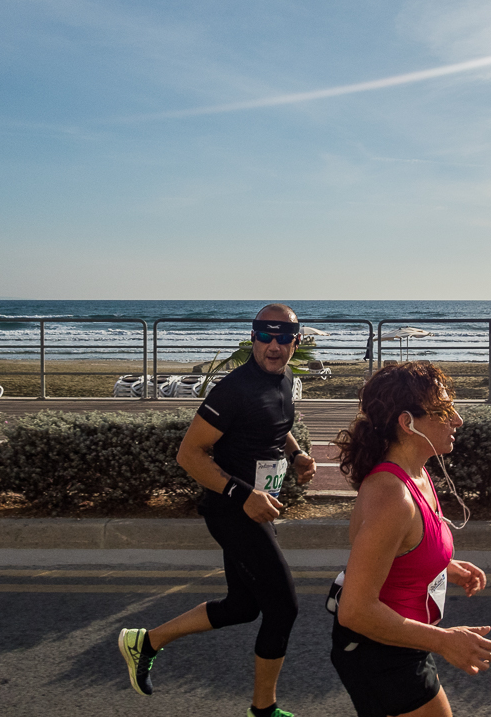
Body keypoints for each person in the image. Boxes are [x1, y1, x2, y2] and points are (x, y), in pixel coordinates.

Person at [119, 303, 316, 717]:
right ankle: (263, 711)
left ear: (296, 343)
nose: (274, 346)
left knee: (242, 607)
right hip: (232, 510)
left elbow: (276, 429)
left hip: (255, 508)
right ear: (252, 338)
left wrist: (296, 455)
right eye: (265, 336)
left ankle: (145, 642)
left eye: (283, 338)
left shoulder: (285, 380)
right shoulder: (233, 390)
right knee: (283, 608)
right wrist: (243, 495)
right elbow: (188, 454)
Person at [330, 363, 491, 717]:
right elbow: (355, 610)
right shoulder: (391, 496)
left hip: (404, 640)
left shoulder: (417, 472)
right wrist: (446, 642)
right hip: (381, 653)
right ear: (407, 424)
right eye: (443, 410)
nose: (457, 419)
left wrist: (442, 565)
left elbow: (401, 550)